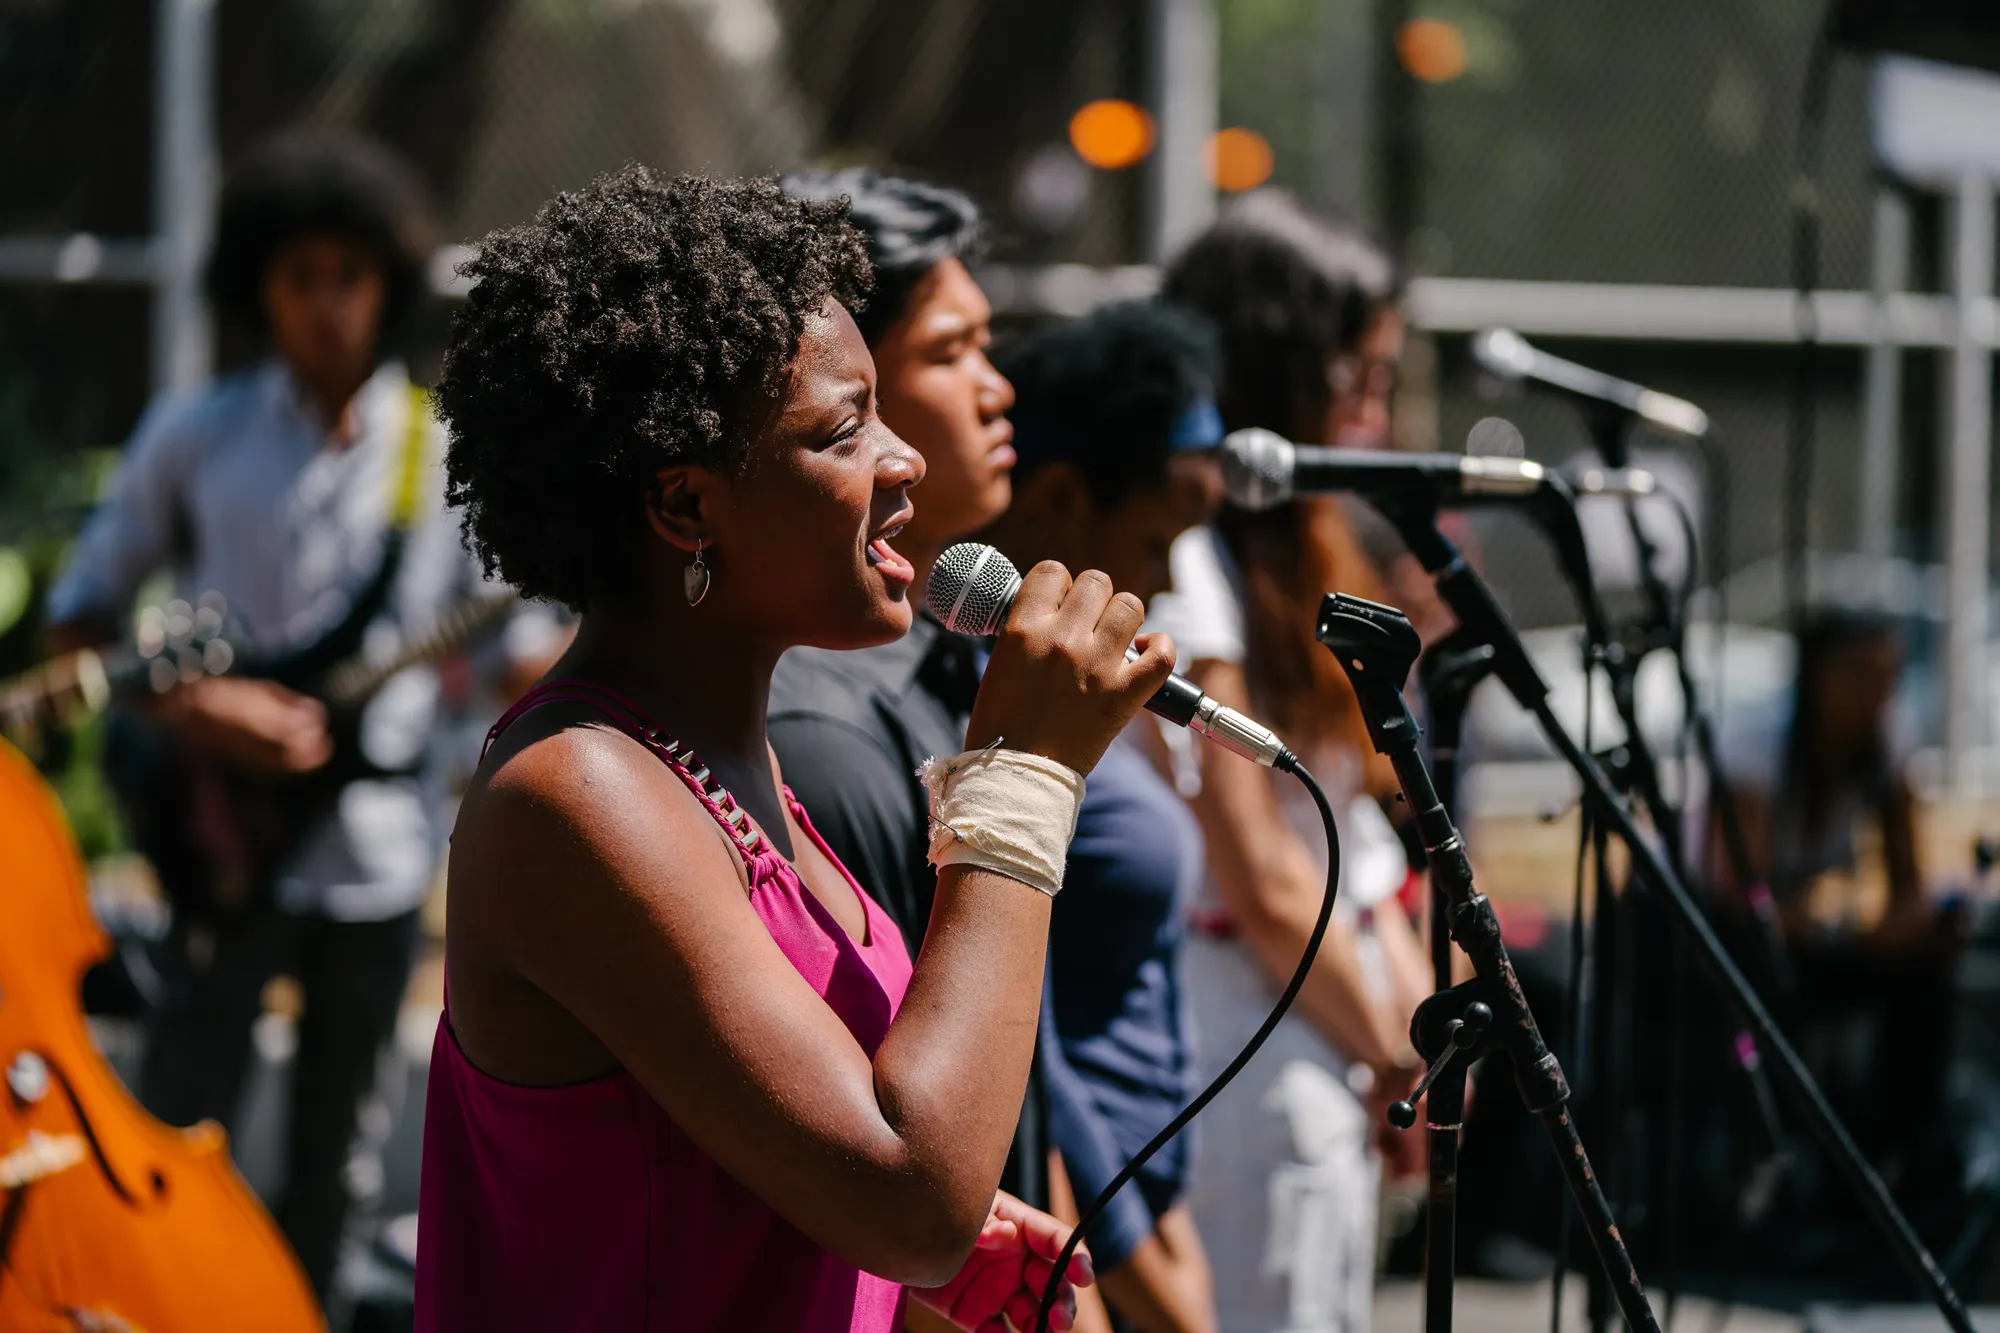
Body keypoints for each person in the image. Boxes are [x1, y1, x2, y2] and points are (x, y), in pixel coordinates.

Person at [417, 165, 1165, 1331]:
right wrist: (1022, 777)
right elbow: (906, 1193)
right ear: (684, 507)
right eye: (843, 429)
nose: (903, 460)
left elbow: (803, 1185)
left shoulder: (732, 771)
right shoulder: (575, 795)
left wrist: (931, 1273)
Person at [43, 131, 546, 1300]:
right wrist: (210, 714)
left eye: (351, 275)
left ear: (388, 283)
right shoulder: (198, 433)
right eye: (298, 276)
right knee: (172, 1119)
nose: (327, 305)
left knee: (340, 1155)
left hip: (377, 856)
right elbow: (83, 618)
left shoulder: (442, 450)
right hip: (223, 847)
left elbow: (524, 646)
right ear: (256, 285)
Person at [1147, 193, 1435, 1333]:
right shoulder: (1188, 559)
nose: (1369, 413)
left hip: (1331, 1018)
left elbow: (1351, 830)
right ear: (1270, 371)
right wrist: (1396, 1055)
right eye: (1350, 377)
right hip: (1250, 1038)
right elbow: (1256, 864)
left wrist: (1410, 1025)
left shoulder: (1303, 544)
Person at [983, 300, 1227, 1333]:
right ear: (1058, 497)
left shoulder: (1066, 690)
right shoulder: (999, 704)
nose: (1171, 577)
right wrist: (1121, 1259)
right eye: (1156, 537)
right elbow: (1031, 1036)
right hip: (1075, 1251)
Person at [1709, 609, 1959, 1167]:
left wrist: (1914, 926)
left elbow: (1907, 885)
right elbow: (1740, 895)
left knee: (1923, 973)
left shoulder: (1885, 743)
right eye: (1860, 676)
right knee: (1770, 979)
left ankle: (1896, 1154)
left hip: (1801, 936)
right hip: (1705, 935)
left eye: (1888, 677)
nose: (1877, 694)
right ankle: (1776, 1163)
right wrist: (1845, 937)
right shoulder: (1757, 744)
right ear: (1816, 677)